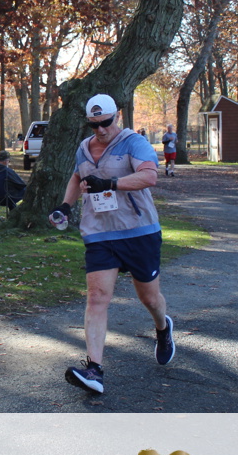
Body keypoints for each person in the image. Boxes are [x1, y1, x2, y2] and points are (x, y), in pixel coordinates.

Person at [48, 94, 174, 395]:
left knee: (149, 299)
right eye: (94, 125)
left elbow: (149, 176)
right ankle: (94, 369)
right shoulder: (84, 148)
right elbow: (77, 176)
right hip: (99, 233)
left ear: (116, 116)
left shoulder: (134, 143)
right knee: (97, 297)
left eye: (105, 122)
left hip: (138, 232)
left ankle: (163, 327)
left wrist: (111, 184)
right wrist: (65, 205)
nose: (101, 129)